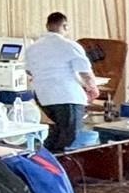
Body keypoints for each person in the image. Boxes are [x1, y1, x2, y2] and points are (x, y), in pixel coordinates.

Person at [24, 11, 98, 154]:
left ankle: (44, 157)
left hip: (43, 97)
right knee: (69, 137)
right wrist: (93, 88)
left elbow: (29, 71)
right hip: (66, 96)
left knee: (58, 131)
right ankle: (54, 160)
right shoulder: (69, 45)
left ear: (47, 26)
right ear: (65, 26)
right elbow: (85, 72)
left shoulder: (32, 48)